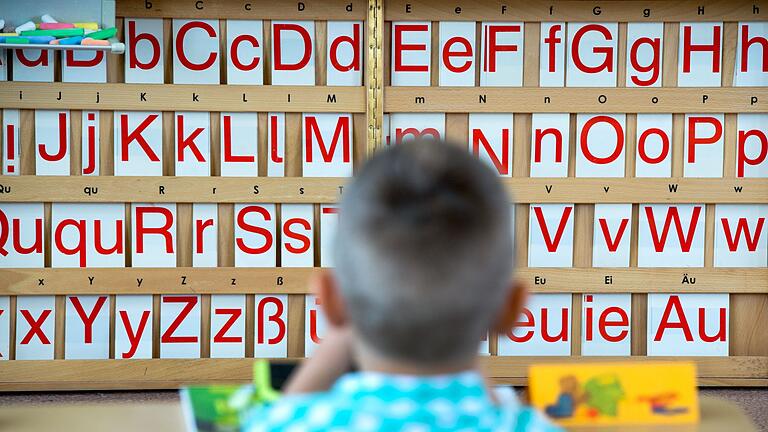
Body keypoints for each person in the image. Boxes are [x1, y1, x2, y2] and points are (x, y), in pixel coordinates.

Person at [242, 140, 560, 431]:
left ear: (329, 300)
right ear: (513, 309)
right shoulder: (532, 427)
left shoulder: (284, 425)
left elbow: (284, 415)